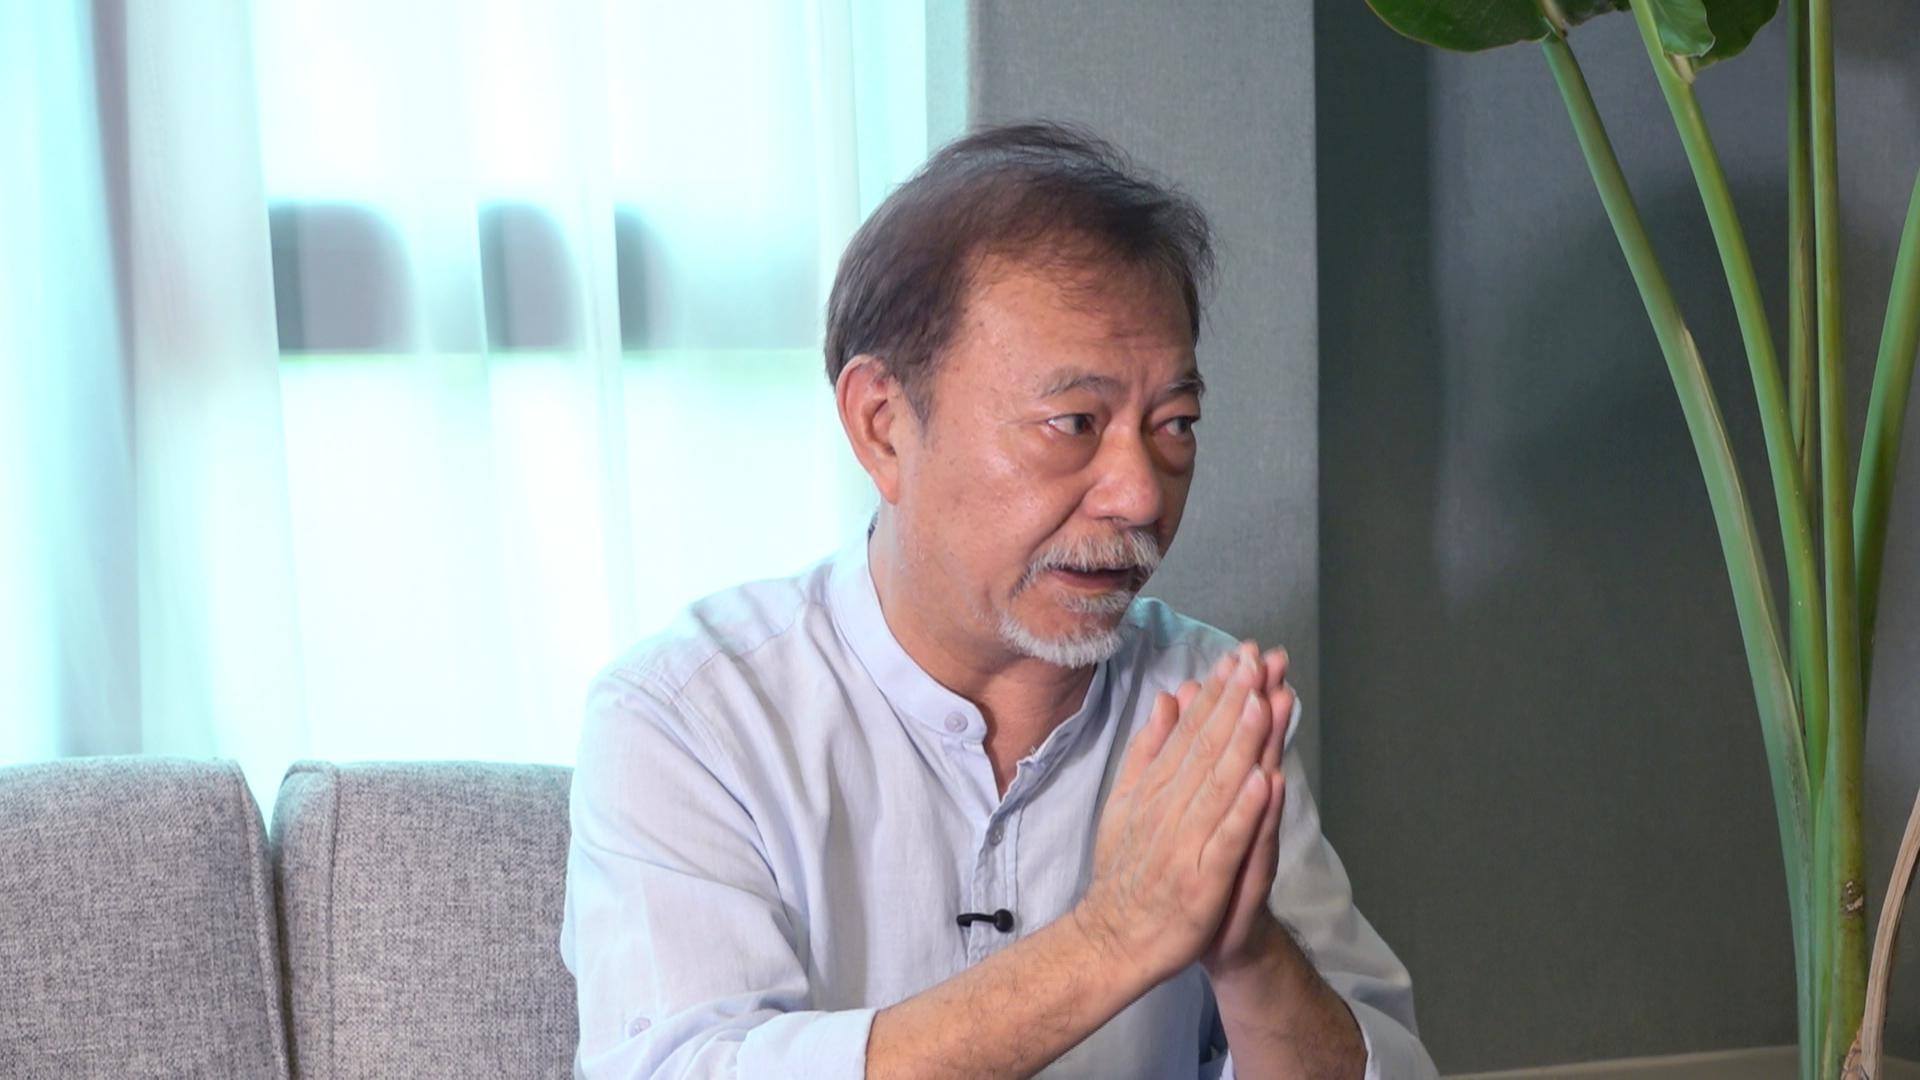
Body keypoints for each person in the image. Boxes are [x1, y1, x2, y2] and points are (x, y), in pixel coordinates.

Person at [561, 121, 1437, 1079]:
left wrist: (1249, 947)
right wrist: (1115, 936)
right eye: (1073, 422)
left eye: (1175, 423)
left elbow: (1387, 1063)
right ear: (883, 426)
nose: (1140, 494)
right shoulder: (689, 716)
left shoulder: (1206, 700)